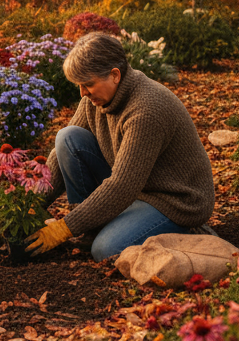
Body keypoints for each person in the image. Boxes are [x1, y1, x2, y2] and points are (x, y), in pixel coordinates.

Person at [26, 31, 214, 261]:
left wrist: (65, 228)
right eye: (79, 86)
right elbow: (62, 153)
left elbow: (122, 186)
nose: (83, 93)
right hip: (137, 188)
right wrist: (30, 206)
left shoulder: (146, 109)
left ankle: (183, 230)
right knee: (68, 137)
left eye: (88, 84)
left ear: (115, 75)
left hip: (174, 201)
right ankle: (95, 228)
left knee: (105, 249)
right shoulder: (93, 99)